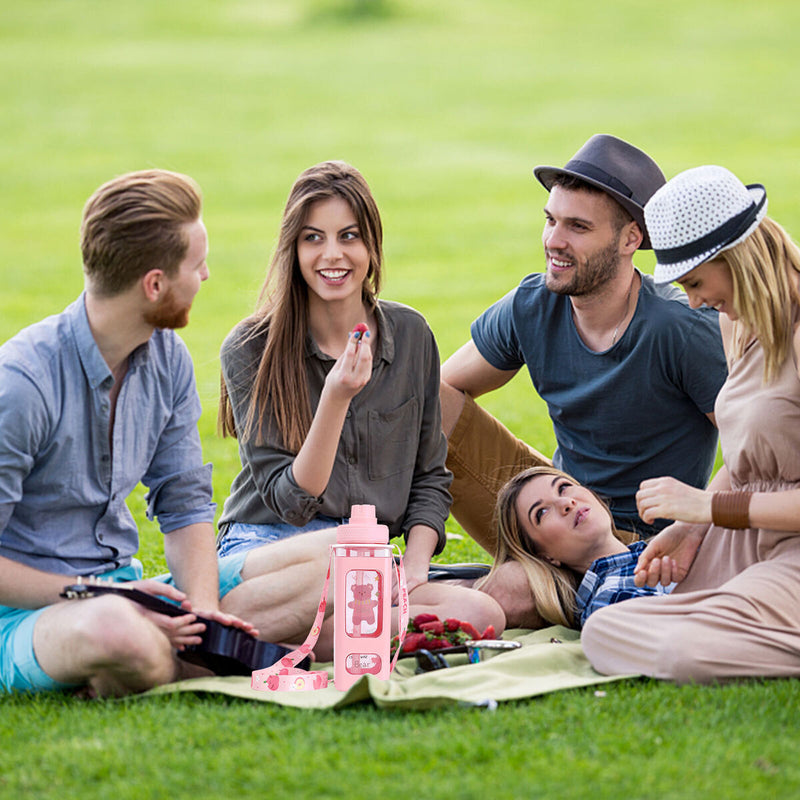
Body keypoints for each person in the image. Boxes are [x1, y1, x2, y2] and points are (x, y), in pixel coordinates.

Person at [440, 134, 728, 626]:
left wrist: (692, 523)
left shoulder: (678, 329)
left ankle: (427, 596)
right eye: (551, 220)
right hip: (554, 510)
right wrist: (419, 501)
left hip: (645, 539)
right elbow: (442, 390)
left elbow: (756, 447)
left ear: (630, 239)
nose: (554, 240)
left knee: (501, 598)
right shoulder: (533, 304)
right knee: (426, 400)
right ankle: (379, 575)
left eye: (577, 227)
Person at [215, 160, 504, 637]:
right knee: (344, 558)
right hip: (271, 549)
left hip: (366, 561)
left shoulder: (410, 335)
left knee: (482, 613)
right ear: (292, 248)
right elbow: (290, 503)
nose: (333, 254)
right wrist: (336, 397)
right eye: (313, 238)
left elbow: (430, 478)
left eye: (349, 236)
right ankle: (326, 627)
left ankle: (296, 635)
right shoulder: (250, 349)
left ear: (372, 244)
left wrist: (413, 569)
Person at [0, 169, 261, 696]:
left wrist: (205, 619)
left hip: (128, 589)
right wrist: (98, 597)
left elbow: (185, 505)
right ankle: (132, 654)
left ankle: (163, 655)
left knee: (330, 555)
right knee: (117, 630)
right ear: (155, 283)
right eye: (197, 263)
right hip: (30, 614)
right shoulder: (22, 385)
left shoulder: (168, 360)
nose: (206, 275)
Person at [582, 165, 800, 684]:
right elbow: (749, 460)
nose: (695, 301)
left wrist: (708, 506)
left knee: (683, 654)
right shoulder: (736, 320)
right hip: (750, 535)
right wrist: (691, 528)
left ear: (738, 258)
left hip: (784, 540)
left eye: (697, 282)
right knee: (604, 629)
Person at [477, 466, 670, 629]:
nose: (565, 503)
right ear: (545, 556)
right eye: (542, 512)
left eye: (563, 487)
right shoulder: (609, 600)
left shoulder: (667, 545)